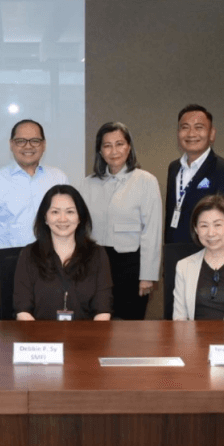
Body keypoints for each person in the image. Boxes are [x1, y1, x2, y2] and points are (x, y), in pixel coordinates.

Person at [0, 119, 68, 320]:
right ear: (11, 144)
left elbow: (71, 226)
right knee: (8, 336)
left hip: (52, 267)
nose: (28, 146)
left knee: (51, 331)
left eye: (34, 140)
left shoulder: (58, 178)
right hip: (9, 268)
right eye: (21, 141)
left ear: (44, 144)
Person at [79, 122, 161, 320]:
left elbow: (153, 231)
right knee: (97, 323)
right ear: (100, 150)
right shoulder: (87, 183)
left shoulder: (146, 181)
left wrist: (148, 275)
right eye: (107, 145)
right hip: (95, 264)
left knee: (129, 327)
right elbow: (80, 229)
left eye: (119, 144)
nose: (114, 151)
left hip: (131, 265)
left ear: (129, 147)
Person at [13, 185, 112, 321]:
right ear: (45, 218)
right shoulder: (28, 254)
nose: (63, 219)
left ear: (80, 217)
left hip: (86, 338)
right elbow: (22, 310)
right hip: (40, 337)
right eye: (55, 212)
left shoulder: (97, 254)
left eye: (70, 212)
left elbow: (103, 310)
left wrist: (91, 340)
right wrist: (37, 341)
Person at [165, 104, 224, 244]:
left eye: (199, 127)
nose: (191, 133)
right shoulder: (174, 168)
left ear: (211, 134)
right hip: (174, 252)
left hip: (206, 254)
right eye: (185, 127)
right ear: (178, 133)